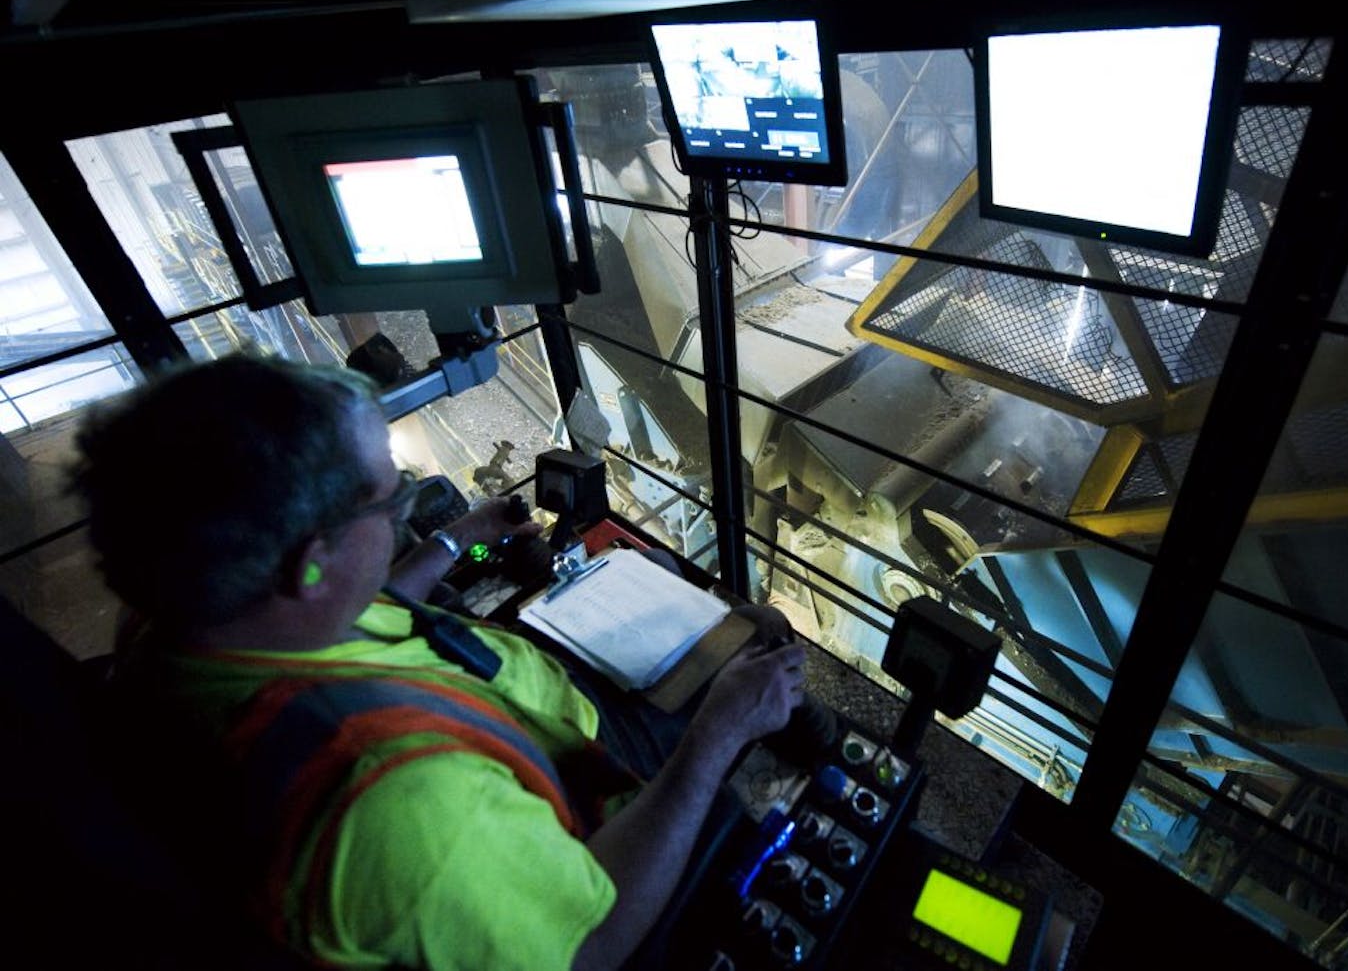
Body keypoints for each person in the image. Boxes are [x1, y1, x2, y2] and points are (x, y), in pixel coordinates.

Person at [72, 352, 807, 971]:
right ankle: (798, 735)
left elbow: (365, 604)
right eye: (388, 508)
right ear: (312, 563)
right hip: (587, 776)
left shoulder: (182, 620)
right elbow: (592, 946)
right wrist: (718, 736)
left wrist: (462, 540)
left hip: (500, 689)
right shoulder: (402, 807)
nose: (398, 518)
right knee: (757, 627)